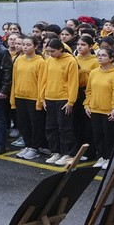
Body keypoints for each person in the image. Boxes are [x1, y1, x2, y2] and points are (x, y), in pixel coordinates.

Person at [40, 37, 79, 165]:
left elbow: (73, 82)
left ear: (60, 49)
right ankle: (55, 151)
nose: (50, 54)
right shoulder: (49, 60)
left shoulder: (70, 61)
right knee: (51, 127)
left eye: (52, 51)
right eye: (48, 51)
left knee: (65, 127)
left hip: (63, 99)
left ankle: (67, 153)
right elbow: (44, 79)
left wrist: (71, 101)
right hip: (50, 97)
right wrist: (43, 98)